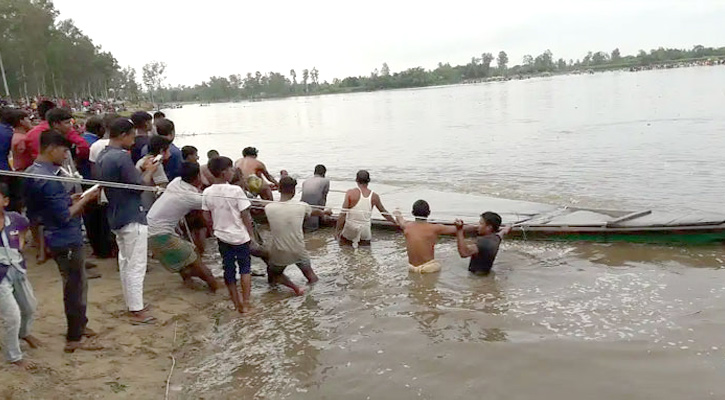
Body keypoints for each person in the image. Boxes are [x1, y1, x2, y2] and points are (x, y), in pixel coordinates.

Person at [25, 130, 101, 352]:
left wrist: (70, 199)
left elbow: (43, 208)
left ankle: (81, 324)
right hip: (64, 237)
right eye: (64, 150)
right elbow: (65, 215)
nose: (66, 155)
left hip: (55, 234)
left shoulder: (34, 171)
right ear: (51, 149)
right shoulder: (48, 179)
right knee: (74, 286)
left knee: (77, 283)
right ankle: (74, 337)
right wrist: (86, 198)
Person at [97, 118, 159, 325]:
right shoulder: (120, 158)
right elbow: (139, 187)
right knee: (136, 265)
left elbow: (126, 181)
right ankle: (136, 309)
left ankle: (133, 303)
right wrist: (150, 170)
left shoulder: (103, 155)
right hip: (131, 213)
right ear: (123, 135)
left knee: (125, 262)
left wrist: (141, 171)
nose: (134, 141)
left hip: (116, 213)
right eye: (132, 136)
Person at [147, 162, 219, 292]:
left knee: (190, 256)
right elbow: (217, 202)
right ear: (198, 176)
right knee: (198, 262)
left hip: (151, 232)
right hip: (161, 235)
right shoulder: (190, 197)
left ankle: (188, 281)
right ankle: (216, 289)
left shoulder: (176, 182)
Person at [202, 156, 255, 313]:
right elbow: (245, 215)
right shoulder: (236, 190)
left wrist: (214, 228)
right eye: (231, 169)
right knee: (245, 269)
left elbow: (206, 216)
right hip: (240, 236)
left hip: (222, 236)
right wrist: (251, 235)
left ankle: (236, 303)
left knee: (229, 270)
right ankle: (246, 303)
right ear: (224, 172)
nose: (233, 172)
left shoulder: (207, 192)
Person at [265, 177, 329, 296]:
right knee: (311, 277)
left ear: (278, 189)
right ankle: (314, 295)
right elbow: (315, 212)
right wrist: (325, 212)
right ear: (294, 191)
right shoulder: (302, 206)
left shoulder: (268, 208)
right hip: (299, 250)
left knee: (272, 273)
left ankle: (280, 291)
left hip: (280, 251)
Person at [0, 183, 41, 369]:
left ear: (5, 201)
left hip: (18, 269)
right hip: (1, 277)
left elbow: (25, 228)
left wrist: (20, 245)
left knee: (29, 306)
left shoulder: (15, 219)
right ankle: (14, 355)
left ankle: (24, 333)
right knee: (12, 315)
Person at [393, 200, 459, 274]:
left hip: (412, 268)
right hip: (429, 268)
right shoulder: (435, 228)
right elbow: (457, 229)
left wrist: (397, 213)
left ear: (412, 213)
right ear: (429, 213)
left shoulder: (407, 226)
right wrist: (466, 226)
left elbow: (400, 219)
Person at [335, 170, 396, 247]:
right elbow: (384, 212)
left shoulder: (350, 193)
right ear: (369, 181)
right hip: (365, 230)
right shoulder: (374, 196)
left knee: (345, 248)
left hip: (350, 227)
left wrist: (337, 231)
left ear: (356, 180)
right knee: (365, 252)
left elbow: (342, 214)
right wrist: (396, 222)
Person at [25, 102, 89, 165]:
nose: (70, 125)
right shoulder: (66, 133)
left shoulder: (30, 133)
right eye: (67, 122)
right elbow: (84, 146)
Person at [135, 135, 170, 211]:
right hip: (150, 205)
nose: (170, 154)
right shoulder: (156, 165)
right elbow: (162, 187)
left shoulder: (141, 161)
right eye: (168, 151)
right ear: (161, 151)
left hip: (140, 203)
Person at [301, 164, 330, 232]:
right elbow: (323, 198)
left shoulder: (306, 181)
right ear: (324, 173)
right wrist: (322, 212)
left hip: (303, 206)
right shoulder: (325, 181)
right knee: (313, 230)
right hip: (314, 207)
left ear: (314, 172)